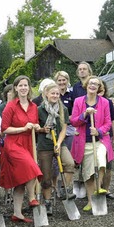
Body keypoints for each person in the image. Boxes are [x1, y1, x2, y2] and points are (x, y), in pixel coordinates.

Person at [0, 75, 43, 223]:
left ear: (29, 88)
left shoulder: (33, 107)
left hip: (28, 143)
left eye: (26, 85)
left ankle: (17, 213)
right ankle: (31, 197)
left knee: (20, 181)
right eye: (20, 85)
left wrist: (37, 127)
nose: (23, 88)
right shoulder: (10, 106)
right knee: (32, 167)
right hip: (13, 144)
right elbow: (4, 129)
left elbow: (35, 124)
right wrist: (23, 128)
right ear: (16, 88)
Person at [70, 76, 114, 212]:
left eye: (96, 84)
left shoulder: (105, 102)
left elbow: (108, 123)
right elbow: (74, 121)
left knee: (101, 159)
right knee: (88, 173)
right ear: (86, 85)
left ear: (99, 87)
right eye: (91, 83)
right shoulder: (78, 101)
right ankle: (90, 200)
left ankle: (99, 186)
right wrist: (85, 114)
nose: (93, 85)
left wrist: (99, 131)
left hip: (100, 141)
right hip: (84, 142)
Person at [37, 82, 76, 214]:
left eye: (57, 94)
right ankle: (47, 202)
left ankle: (65, 189)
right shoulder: (39, 109)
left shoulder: (63, 109)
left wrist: (58, 143)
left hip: (59, 142)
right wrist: (43, 129)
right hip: (44, 145)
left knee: (69, 163)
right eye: (52, 93)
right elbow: (35, 128)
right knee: (46, 176)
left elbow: (64, 128)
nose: (55, 95)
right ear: (46, 94)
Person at [98, 80, 114, 199]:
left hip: (106, 136)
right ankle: (95, 188)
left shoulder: (108, 102)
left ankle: (106, 189)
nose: (99, 92)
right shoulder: (87, 102)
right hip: (92, 138)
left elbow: (113, 120)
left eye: (102, 90)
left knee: (108, 164)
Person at [55, 70, 75, 149]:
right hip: (57, 128)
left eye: (64, 80)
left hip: (70, 128)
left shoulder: (72, 94)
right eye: (59, 80)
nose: (61, 82)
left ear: (67, 80)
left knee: (70, 152)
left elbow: (76, 111)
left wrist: (66, 118)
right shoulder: (54, 94)